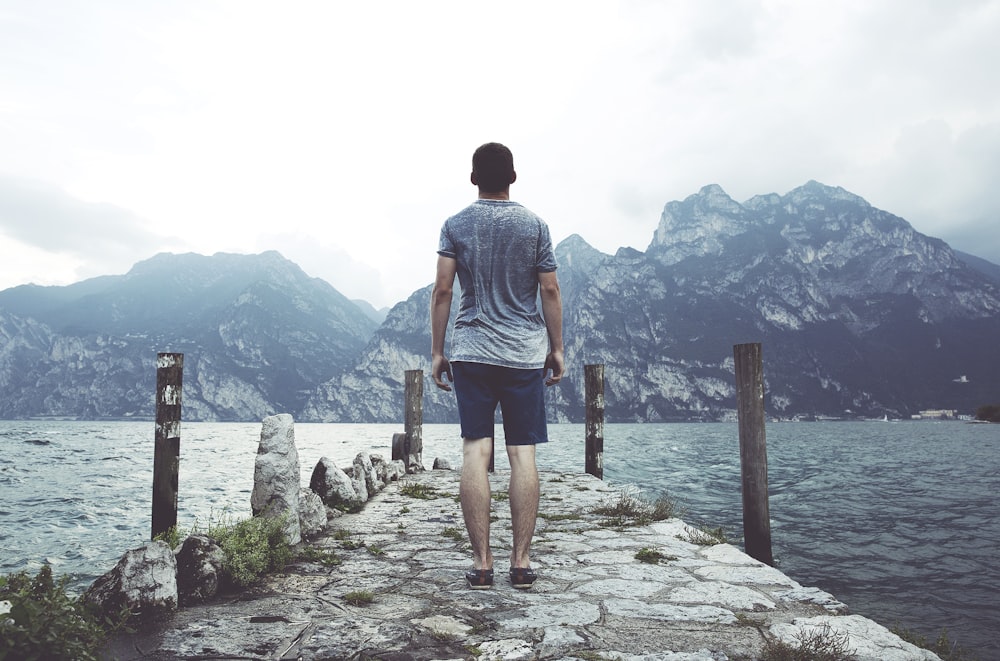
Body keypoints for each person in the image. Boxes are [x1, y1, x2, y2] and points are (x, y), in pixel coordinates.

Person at [430, 142, 565, 590]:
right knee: (521, 455)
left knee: (476, 452)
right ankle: (521, 563)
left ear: (474, 179)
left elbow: (443, 291)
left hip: (471, 352)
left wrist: (437, 351)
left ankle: (482, 563)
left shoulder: (455, 225)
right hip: (523, 356)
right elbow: (550, 291)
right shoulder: (535, 226)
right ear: (513, 177)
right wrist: (557, 346)